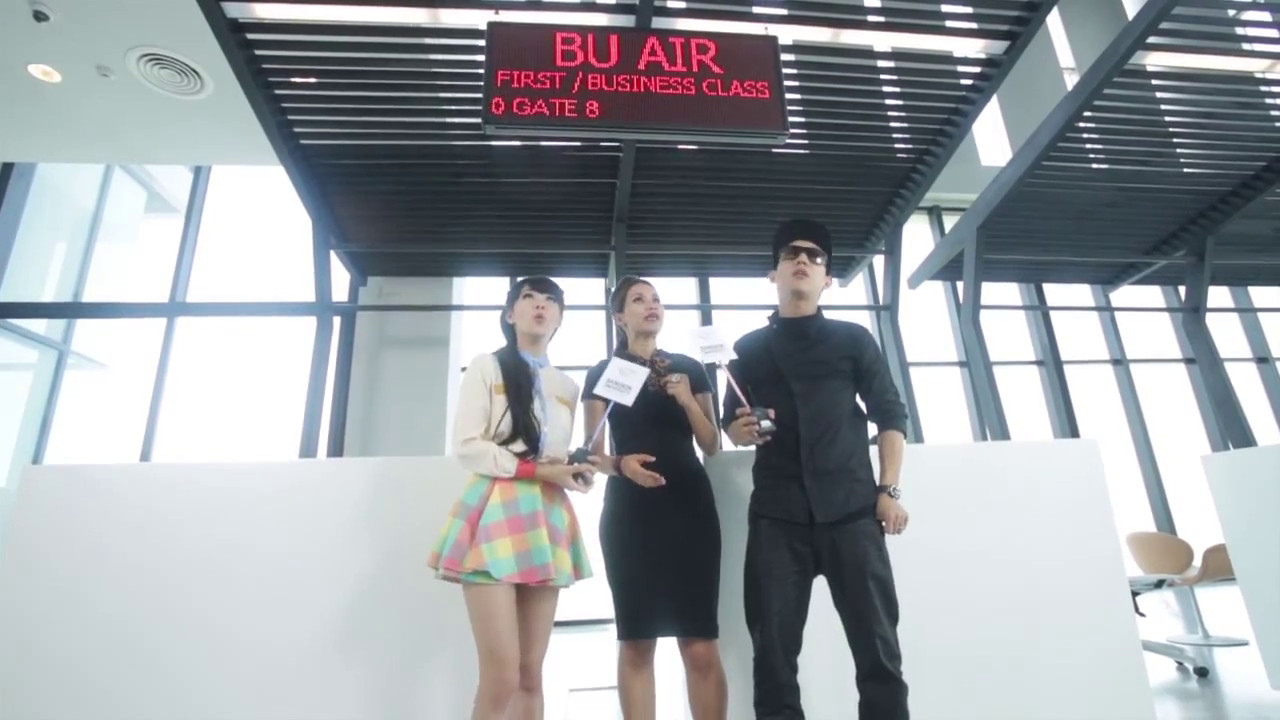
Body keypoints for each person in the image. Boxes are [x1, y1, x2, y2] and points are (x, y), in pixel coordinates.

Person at [722, 219, 912, 720]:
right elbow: (732, 424)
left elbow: (891, 416)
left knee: (879, 650)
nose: (802, 260)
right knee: (773, 655)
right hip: (777, 517)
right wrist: (740, 430)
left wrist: (888, 490)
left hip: (853, 511)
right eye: (791, 255)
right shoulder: (746, 349)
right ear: (774, 274)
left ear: (827, 279)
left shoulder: (854, 340)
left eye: (814, 256)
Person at [427, 276, 598, 720]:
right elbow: (468, 445)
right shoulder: (486, 366)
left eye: (550, 301)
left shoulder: (566, 386)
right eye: (529, 297)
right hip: (495, 511)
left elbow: (556, 454)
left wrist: (573, 471)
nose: (540, 306)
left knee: (529, 675)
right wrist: (539, 471)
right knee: (501, 674)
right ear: (509, 313)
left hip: (545, 514)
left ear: (560, 317)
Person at [582, 276, 728, 720]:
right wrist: (622, 464)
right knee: (637, 641)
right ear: (619, 317)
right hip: (630, 515)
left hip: (690, 510)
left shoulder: (689, 368)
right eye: (638, 299)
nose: (651, 305)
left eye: (657, 299)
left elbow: (712, 444)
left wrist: (687, 400)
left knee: (699, 642)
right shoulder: (603, 372)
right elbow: (593, 453)